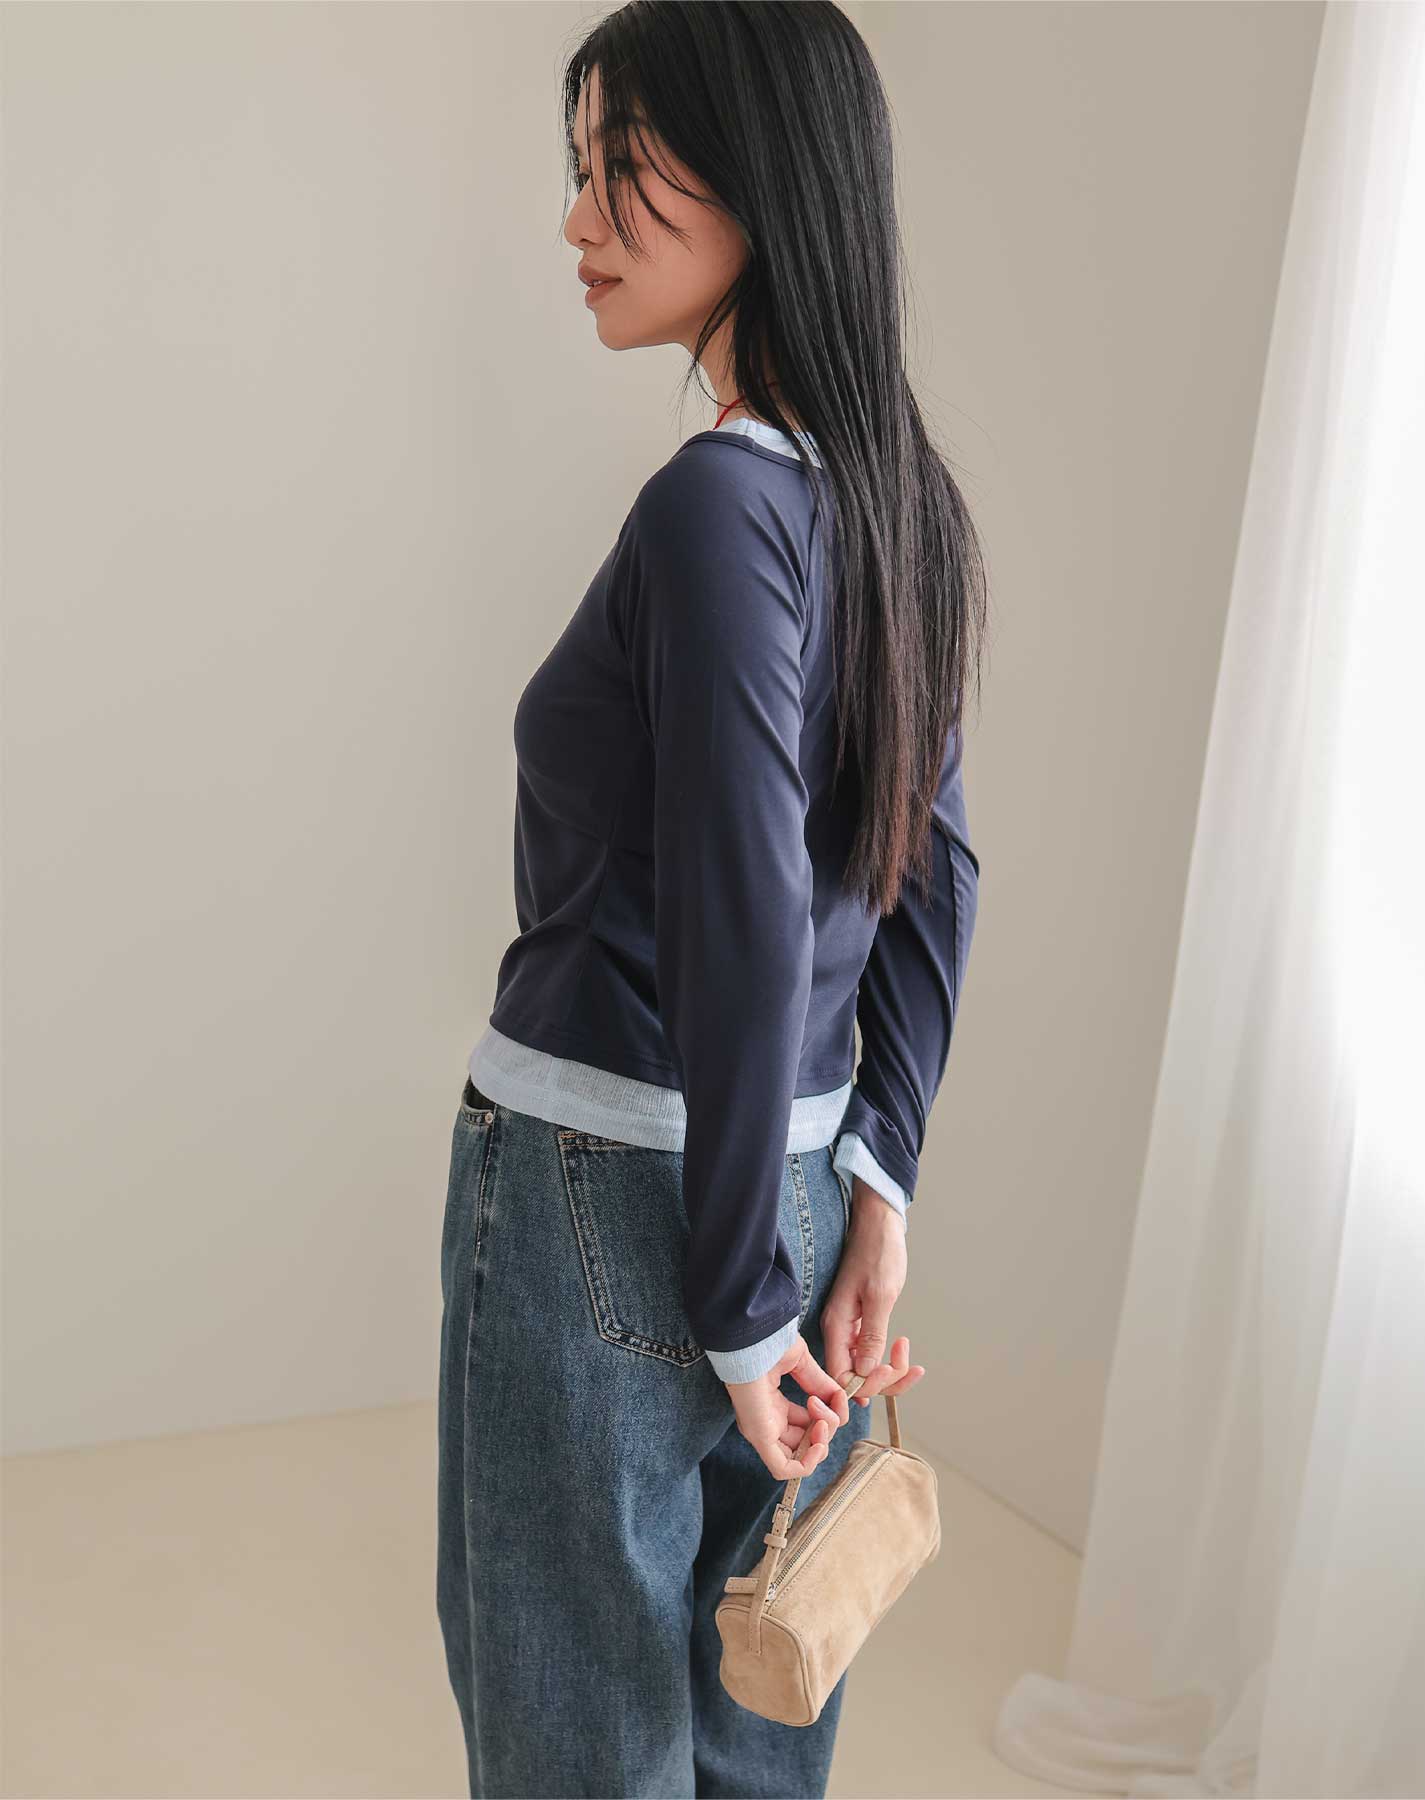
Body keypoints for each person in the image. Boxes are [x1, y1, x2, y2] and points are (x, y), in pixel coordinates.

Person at [436, 4, 987, 1794]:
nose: (577, 219)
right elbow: (935, 874)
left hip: (607, 1191)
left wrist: (741, 1300)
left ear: (758, 176)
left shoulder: (713, 509)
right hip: (800, 1189)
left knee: (578, 1742)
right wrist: (873, 1190)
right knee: (760, 1721)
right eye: (578, 169)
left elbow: (744, 909)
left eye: (619, 167)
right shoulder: (903, 505)